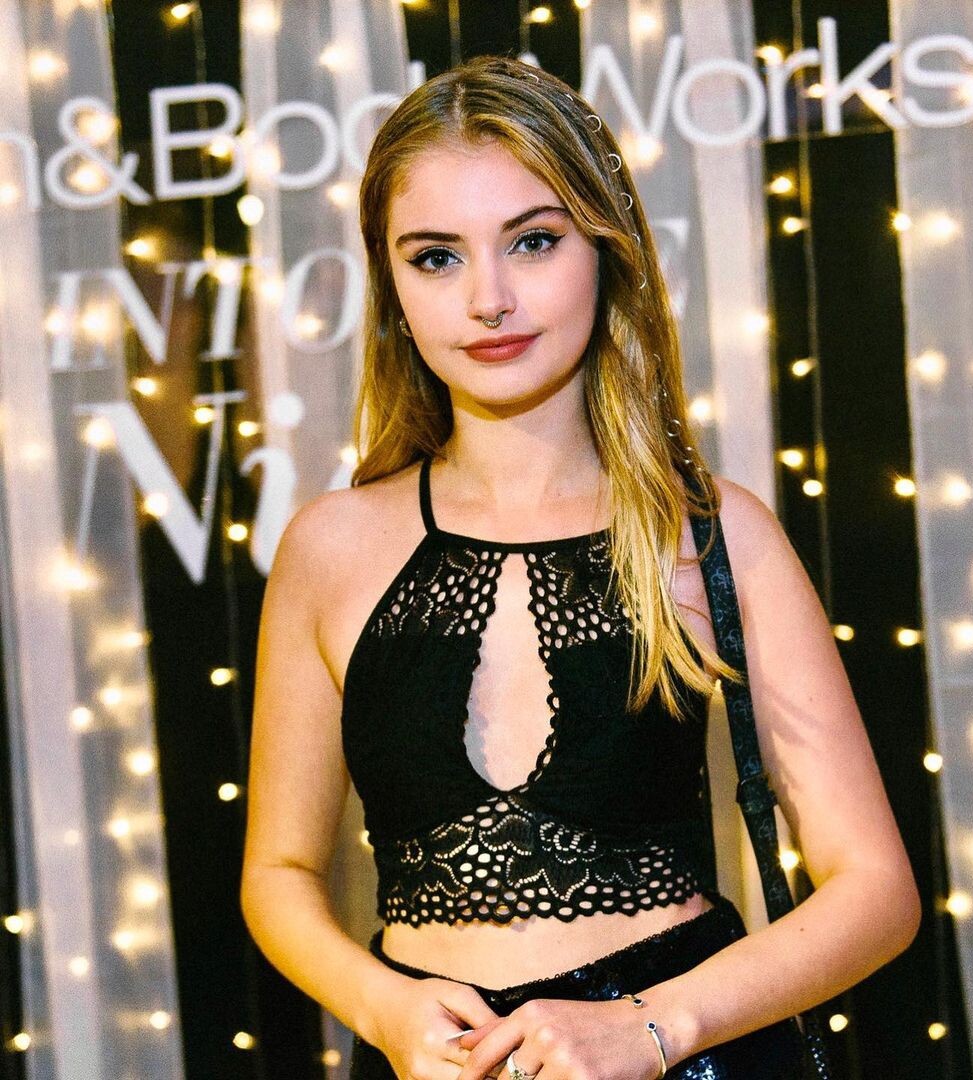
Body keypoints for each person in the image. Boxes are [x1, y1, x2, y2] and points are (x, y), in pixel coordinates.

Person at [240, 54, 921, 1080]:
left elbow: (875, 891)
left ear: (606, 250)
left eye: (533, 241)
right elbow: (278, 872)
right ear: (392, 287)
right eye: (437, 257)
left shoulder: (709, 533)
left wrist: (652, 1027)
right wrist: (381, 1008)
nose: (489, 299)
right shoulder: (329, 548)